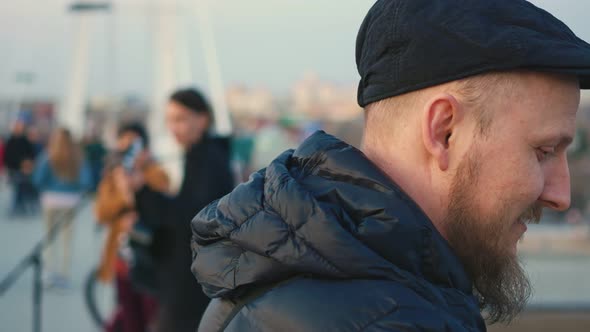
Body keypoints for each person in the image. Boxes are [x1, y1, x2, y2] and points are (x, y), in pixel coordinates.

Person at [191, 0, 590, 331]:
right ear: (444, 131)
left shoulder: (280, 273)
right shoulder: (391, 321)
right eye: (543, 150)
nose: (560, 194)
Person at [120, 88, 234, 332]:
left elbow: (192, 218)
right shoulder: (201, 155)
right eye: (170, 120)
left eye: (180, 119)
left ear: (202, 119)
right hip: (189, 279)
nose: (173, 127)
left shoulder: (209, 159)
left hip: (191, 286)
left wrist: (143, 189)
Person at [94, 122, 169, 332]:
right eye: (123, 144)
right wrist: (123, 191)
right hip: (123, 258)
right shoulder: (112, 175)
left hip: (149, 258)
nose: (127, 150)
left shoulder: (154, 171)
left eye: (133, 145)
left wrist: (142, 179)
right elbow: (101, 213)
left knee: (152, 315)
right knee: (128, 315)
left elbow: (166, 197)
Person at [32, 127, 92, 288]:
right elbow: (87, 181)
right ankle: (64, 275)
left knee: (49, 238)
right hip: (70, 201)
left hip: (50, 200)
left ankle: (48, 274)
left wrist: (47, 188)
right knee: (67, 239)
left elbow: (37, 179)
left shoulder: (48, 156)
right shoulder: (78, 158)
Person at [3, 119, 35, 216]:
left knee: (22, 188)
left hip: (24, 169)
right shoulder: (10, 141)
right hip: (14, 169)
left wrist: (27, 164)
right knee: (17, 188)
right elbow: (7, 156)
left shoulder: (25, 141)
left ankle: (20, 206)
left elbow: (31, 154)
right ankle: (17, 207)